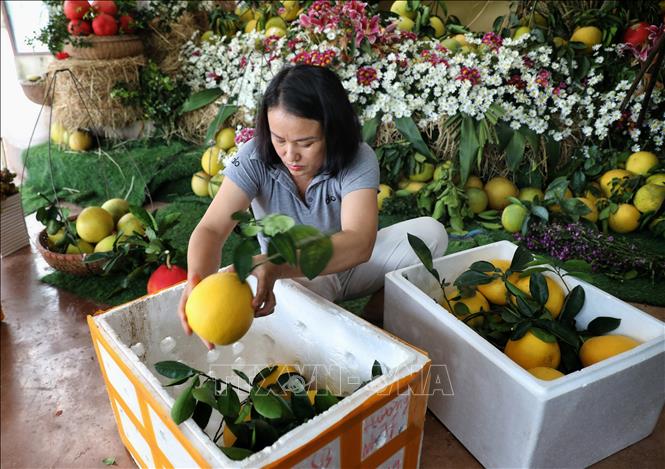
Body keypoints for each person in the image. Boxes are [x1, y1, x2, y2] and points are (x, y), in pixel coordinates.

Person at [178, 64, 448, 347]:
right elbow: (211, 228)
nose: (290, 154)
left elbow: (359, 242)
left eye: (306, 143)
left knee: (431, 234)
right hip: (292, 277)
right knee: (298, 328)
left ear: (333, 131)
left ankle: (373, 320)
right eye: (279, 139)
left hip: (344, 264)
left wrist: (274, 264)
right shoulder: (253, 156)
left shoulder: (357, 157)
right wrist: (199, 281)